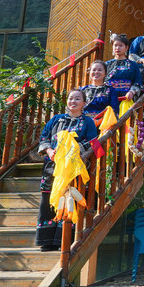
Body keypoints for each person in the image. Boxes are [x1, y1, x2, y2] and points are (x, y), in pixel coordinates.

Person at [36, 89, 98, 251]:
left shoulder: (88, 122)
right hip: (53, 166)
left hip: (73, 168)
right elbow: (44, 138)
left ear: (84, 103)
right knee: (48, 201)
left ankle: (64, 241)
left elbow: (93, 141)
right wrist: (49, 150)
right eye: (71, 98)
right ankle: (47, 241)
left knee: (69, 200)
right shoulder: (56, 119)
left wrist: (74, 151)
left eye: (77, 99)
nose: (73, 101)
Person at [104, 33, 143, 101]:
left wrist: (131, 92)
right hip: (109, 98)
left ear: (126, 48)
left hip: (126, 98)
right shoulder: (106, 65)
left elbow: (137, 82)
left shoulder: (133, 65)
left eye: (121, 45)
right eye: (115, 45)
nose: (117, 48)